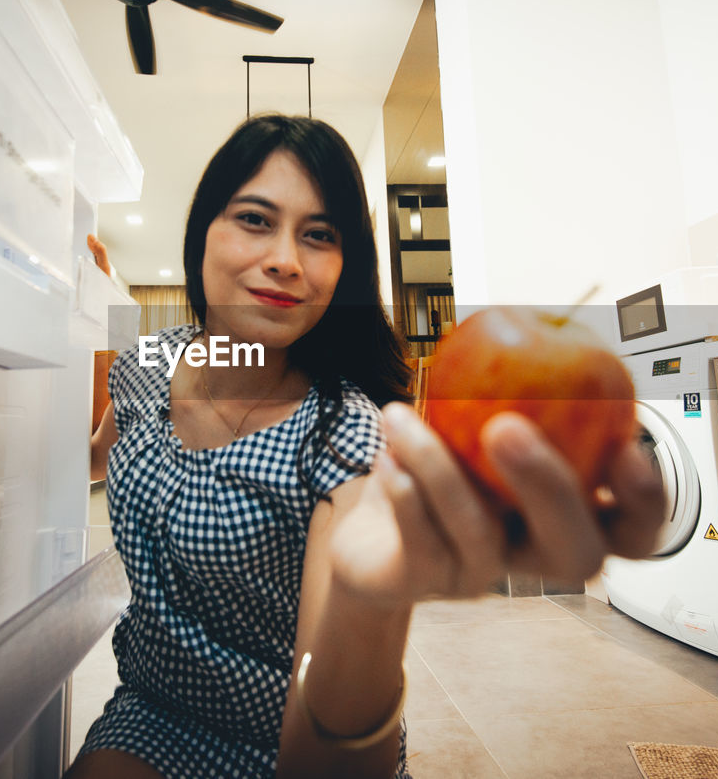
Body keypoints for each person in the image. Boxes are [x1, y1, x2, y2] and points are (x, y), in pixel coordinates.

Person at [66, 115, 663, 779]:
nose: (286, 259)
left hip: (280, 737)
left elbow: (322, 750)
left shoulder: (343, 435)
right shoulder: (148, 362)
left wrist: (367, 601)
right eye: (256, 220)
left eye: (319, 235)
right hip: (147, 711)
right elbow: (98, 454)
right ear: (202, 230)